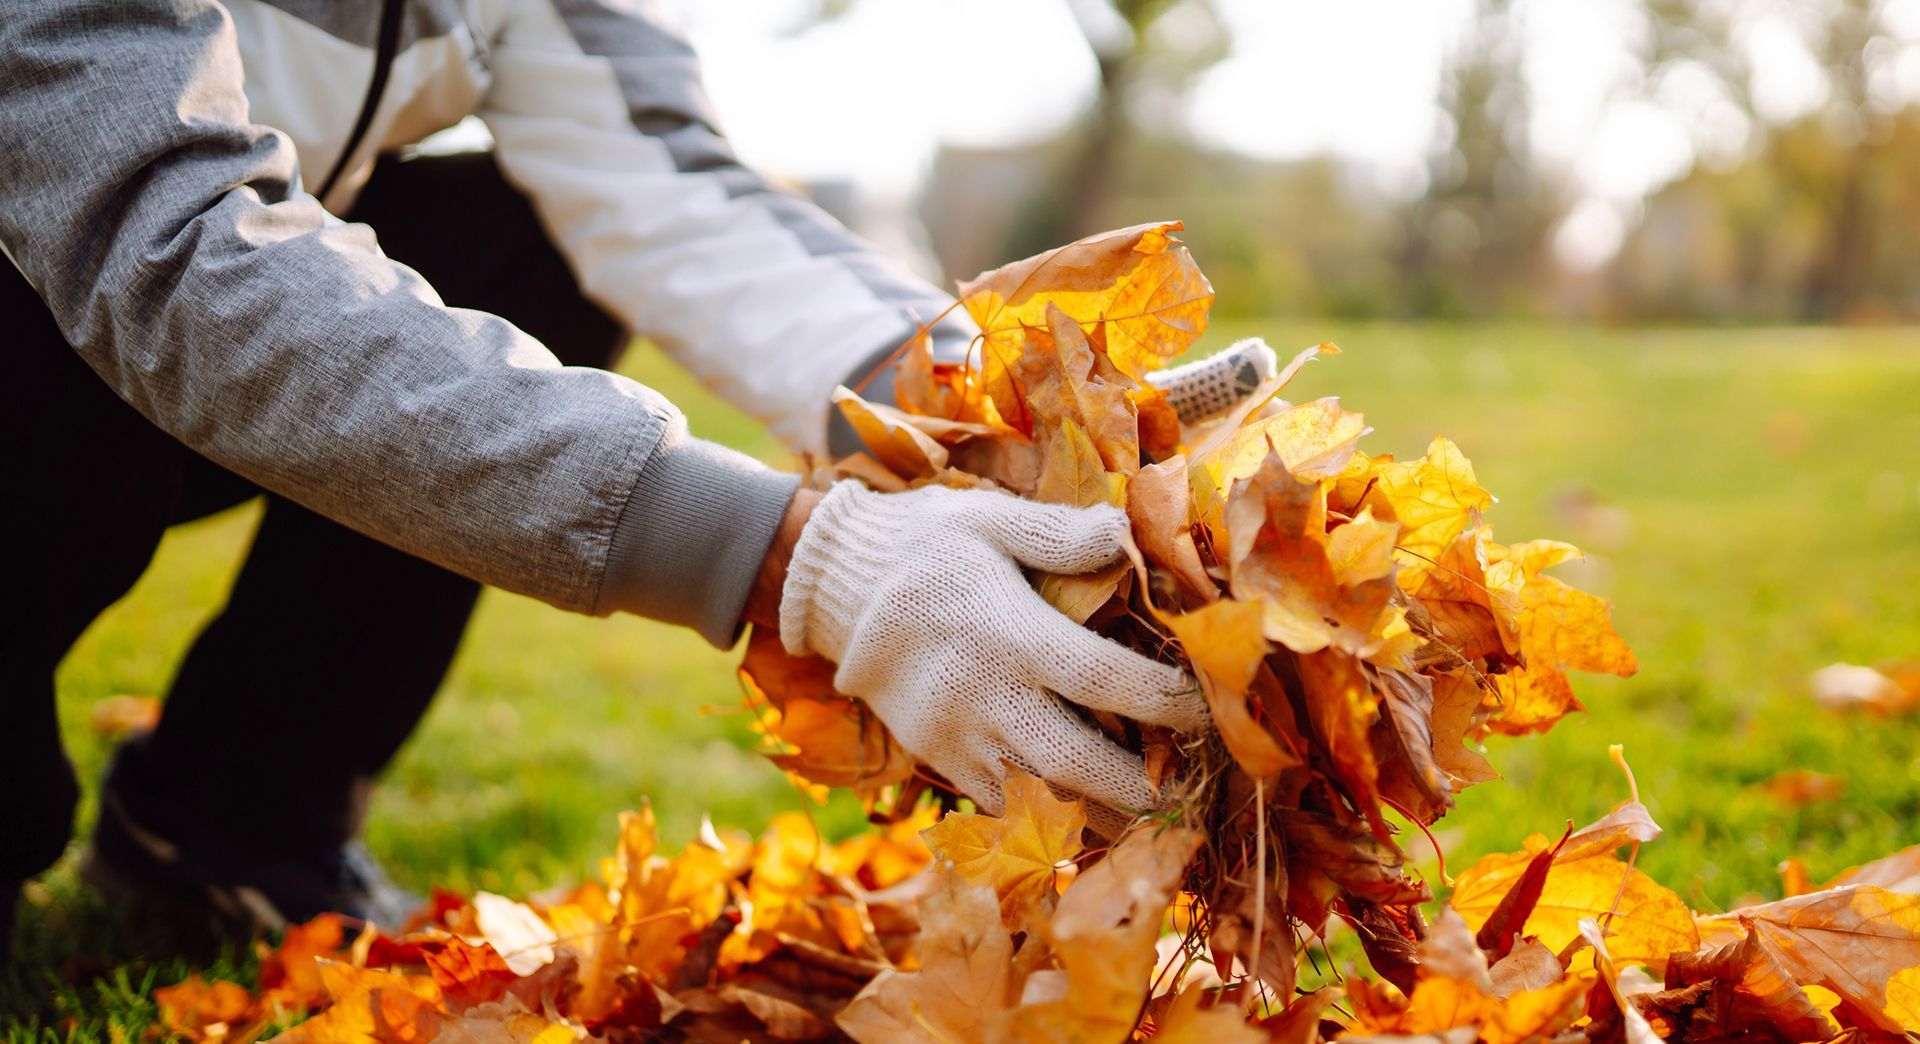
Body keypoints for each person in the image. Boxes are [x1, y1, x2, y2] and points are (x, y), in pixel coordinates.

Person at [0, 0, 1254, 950]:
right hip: (63, 302)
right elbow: (153, 234)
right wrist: (801, 561)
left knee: (519, 226)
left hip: (178, 340)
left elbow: (664, 182)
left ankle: (232, 820)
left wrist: (987, 398)